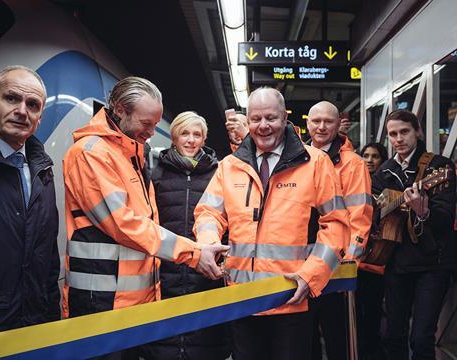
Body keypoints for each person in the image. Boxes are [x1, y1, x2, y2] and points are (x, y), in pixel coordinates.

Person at [194, 87, 349, 360]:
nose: (263, 126)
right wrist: (207, 243)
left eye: (270, 118)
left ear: (284, 118)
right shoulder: (229, 165)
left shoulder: (316, 163)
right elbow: (208, 212)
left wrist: (310, 276)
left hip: (291, 298)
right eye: (255, 119)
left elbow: (336, 224)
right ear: (248, 120)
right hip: (241, 298)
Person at [62, 77, 228, 321]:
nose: (151, 133)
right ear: (119, 110)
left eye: (155, 124)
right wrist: (192, 253)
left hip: (133, 300)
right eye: (146, 123)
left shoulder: (131, 155)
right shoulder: (91, 154)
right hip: (100, 302)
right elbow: (123, 224)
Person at [0, 66, 60, 335]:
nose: (22, 111)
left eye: (32, 105)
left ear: (39, 117)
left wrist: (50, 323)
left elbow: (49, 258)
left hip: (32, 328)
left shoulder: (42, 171)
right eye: (11, 98)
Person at [144, 111, 230, 360]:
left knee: (204, 341)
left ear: (204, 139)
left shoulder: (218, 173)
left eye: (197, 134)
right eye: (185, 133)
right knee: (164, 344)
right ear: (174, 137)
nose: (191, 140)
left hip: (205, 271)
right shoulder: (156, 172)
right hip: (166, 269)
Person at [372, 109, 456, 360]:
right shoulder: (383, 171)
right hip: (395, 260)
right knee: (393, 335)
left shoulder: (439, 167)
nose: (398, 139)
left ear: (417, 131)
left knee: (421, 337)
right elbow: (374, 216)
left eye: (404, 132)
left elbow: (445, 217)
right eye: (393, 134)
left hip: (433, 262)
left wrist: (423, 212)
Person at [306, 101, 373, 360]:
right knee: (305, 336)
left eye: (328, 121)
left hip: (337, 265)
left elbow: (361, 214)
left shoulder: (353, 164)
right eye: (316, 121)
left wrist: (350, 261)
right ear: (307, 123)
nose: (321, 127)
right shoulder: (295, 157)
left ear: (338, 125)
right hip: (301, 262)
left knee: (339, 338)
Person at [357, 142, 388, 360]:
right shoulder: (355, 182)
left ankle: (372, 348)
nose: (369, 160)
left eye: (375, 156)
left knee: (374, 305)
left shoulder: (388, 183)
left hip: (378, 257)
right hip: (356, 256)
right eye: (366, 155)